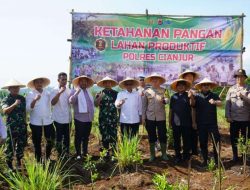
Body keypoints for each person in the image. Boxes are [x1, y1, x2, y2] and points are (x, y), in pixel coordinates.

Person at [189, 78, 222, 167]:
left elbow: (220, 103)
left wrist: (214, 102)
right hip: (201, 123)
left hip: (212, 123)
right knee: (203, 143)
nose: (206, 86)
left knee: (216, 142)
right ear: (201, 87)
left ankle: (217, 161)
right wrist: (191, 96)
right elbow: (192, 105)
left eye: (207, 84)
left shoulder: (213, 95)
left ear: (210, 86)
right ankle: (204, 161)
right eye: (204, 85)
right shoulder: (197, 96)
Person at [26, 77, 55, 162]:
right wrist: (35, 100)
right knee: (37, 142)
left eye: (40, 82)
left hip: (48, 121)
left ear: (43, 83)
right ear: (34, 84)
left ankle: (47, 157)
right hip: (35, 122)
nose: (39, 84)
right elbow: (28, 109)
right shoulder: (30, 94)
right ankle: (38, 160)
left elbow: (53, 103)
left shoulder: (48, 93)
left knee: (51, 139)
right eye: (37, 82)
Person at [1, 79, 27, 169]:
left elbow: (24, 112)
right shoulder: (6, 99)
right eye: (14, 87)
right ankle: (9, 166)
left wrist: (25, 123)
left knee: (21, 144)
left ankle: (19, 163)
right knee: (10, 146)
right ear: (9, 89)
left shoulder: (22, 98)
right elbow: (5, 111)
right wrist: (14, 104)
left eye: (17, 87)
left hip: (22, 126)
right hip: (11, 127)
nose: (16, 89)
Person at [225, 69, 250, 162]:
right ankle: (235, 156)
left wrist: (243, 96)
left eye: (241, 76)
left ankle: (244, 155)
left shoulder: (248, 88)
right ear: (236, 78)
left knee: (245, 138)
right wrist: (228, 116)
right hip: (234, 119)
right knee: (233, 138)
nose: (239, 78)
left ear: (245, 78)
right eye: (238, 76)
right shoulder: (231, 89)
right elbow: (227, 104)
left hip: (246, 119)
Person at [142, 73, 169, 161]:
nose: (154, 81)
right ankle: (152, 155)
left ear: (160, 81)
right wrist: (143, 117)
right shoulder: (146, 91)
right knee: (151, 136)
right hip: (150, 117)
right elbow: (144, 106)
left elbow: (167, 100)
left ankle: (164, 154)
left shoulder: (165, 90)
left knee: (162, 135)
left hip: (161, 117)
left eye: (156, 79)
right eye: (153, 79)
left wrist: (164, 101)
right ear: (150, 81)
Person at [69, 75, 94, 160]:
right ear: (79, 82)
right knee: (79, 136)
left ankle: (85, 152)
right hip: (79, 118)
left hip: (88, 118)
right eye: (82, 81)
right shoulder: (74, 91)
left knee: (86, 137)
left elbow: (91, 104)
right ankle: (78, 153)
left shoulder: (88, 91)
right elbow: (71, 101)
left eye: (85, 81)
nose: (84, 83)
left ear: (87, 83)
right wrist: (76, 93)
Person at [169, 79, 192, 163]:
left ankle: (186, 155)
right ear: (176, 87)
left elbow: (193, 107)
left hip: (186, 122)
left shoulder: (188, 95)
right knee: (176, 140)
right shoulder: (173, 97)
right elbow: (171, 110)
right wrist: (169, 122)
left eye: (182, 85)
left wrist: (191, 97)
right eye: (179, 85)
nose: (181, 86)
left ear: (185, 87)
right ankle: (177, 156)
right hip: (175, 122)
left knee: (186, 140)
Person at [95, 76, 118, 157]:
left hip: (113, 118)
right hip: (103, 118)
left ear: (111, 83)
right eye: (106, 82)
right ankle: (106, 152)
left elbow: (118, 105)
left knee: (113, 135)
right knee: (104, 134)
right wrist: (100, 98)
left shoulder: (116, 94)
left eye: (109, 82)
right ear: (103, 84)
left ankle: (114, 153)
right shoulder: (99, 93)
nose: (108, 84)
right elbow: (96, 104)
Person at [179, 69, 200, 155]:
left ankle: (194, 150)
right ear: (184, 78)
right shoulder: (181, 88)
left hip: (195, 113)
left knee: (194, 132)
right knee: (185, 133)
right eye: (187, 76)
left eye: (191, 76)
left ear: (193, 78)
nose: (189, 78)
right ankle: (186, 149)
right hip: (184, 115)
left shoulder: (197, 88)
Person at [51, 72, 72, 157]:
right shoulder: (54, 90)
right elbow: (53, 102)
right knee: (59, 137)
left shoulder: (69, 90)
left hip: (68, 118)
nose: (64, 81)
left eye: (65, 80)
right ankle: (59, 154)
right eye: (62, 79)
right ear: (58, 80)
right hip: (58, 118)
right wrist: (59, 92)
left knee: (67, 137)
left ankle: (66, 153)